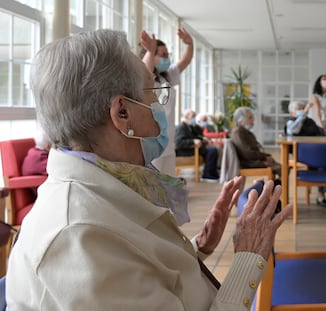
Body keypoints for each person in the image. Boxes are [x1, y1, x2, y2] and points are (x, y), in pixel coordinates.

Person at [6, 29, 293, 310]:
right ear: (122, 113)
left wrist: (199, 247)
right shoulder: (77, 241)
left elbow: (140, 275)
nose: (158, 107)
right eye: (152, 94)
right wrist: (247, 258)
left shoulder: (109, 189)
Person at [140, 28, 193, 176]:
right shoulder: (144, 77)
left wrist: (189, 43)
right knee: (153, 185)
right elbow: (144, 72)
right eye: (163, 55)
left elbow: (185, 61)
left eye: (167, 54)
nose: (167, 58)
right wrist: (150, 51)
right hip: (152, 141)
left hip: (168, 141)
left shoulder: (167, 76)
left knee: (168, 187)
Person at [285, 101, 326, 207]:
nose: (302, 110)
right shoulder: (290, 123)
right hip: (301, 156)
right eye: (299, 109)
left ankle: (322, 195)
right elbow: (294, 131)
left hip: (316, 155)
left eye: (303, 108)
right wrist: (302, 116)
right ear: (292, 112)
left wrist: (325, 120)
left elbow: (323, 135)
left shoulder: (310, 121)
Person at [231, 107, 281, 179]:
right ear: (241, 120)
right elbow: (248, 153)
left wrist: (266, 156)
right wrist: (264, 157)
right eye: (250, 118)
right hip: (249, 163)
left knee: (283, 168)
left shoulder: (245, 132)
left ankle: (274, 188)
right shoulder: (238, 133)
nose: (253, 120)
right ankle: (276, 188)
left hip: (253, 160)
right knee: (281, 169)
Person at [175, 109, 220, 181]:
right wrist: (192, 141)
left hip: (192, 149)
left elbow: (196, 136)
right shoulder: (181, 127)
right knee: (212, 151)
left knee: (213, 149)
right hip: (185, 151)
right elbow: (179, 142)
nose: (194, 118)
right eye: (192, 116)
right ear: (186, 117)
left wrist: (203, 139)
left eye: (194, 116)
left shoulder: (190, 127)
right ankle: (207, 175)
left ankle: (212, 174)